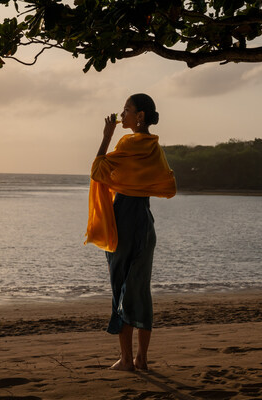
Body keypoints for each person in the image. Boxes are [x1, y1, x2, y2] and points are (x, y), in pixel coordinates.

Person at [85, 93, 177, 371]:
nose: (121, 114)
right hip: (144, 220)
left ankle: (126, 360)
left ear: (139, 116)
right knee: (140, 288)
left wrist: (106, 135)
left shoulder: (127, 142)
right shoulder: (154, 148)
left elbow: (98, 170)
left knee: (121, 286)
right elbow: (168, 185)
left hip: (124, 218)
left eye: (126, 110)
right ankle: (142, 359)